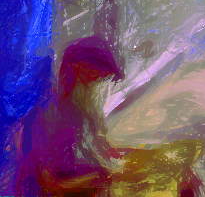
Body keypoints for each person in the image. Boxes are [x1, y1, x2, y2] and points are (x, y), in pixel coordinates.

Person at [15, 36, 127, 197]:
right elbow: (49, 183)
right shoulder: (46, 114)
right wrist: (98, 179)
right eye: (94, 78)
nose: (97, 85)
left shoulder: (79, 114)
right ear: (77, 70)